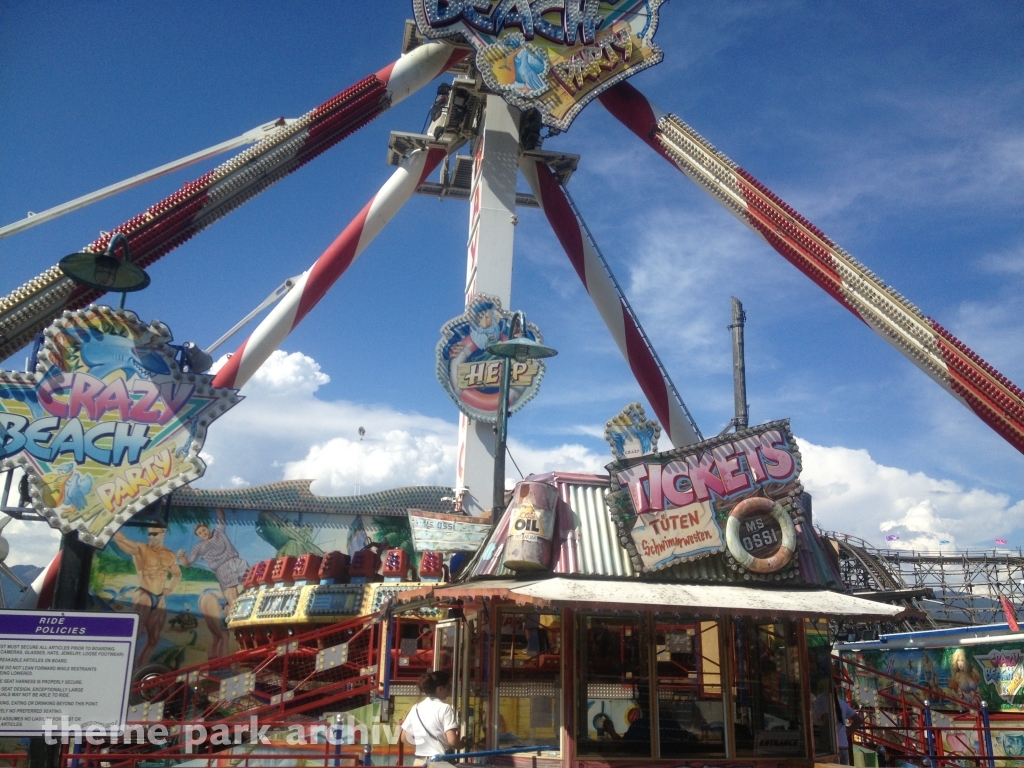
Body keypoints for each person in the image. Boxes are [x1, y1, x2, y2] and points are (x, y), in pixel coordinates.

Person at [113, 527, 181, 665]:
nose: (151, 536)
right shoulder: (141, 548)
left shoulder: (169, 555)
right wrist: (111, 526)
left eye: (154, 534)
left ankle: (140, 668)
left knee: (154, 639)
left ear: (163, 534)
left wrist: (170, 588)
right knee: (135, 633)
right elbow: (121, 540)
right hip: (144, 594)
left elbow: (177, 574)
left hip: (159, 598)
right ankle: (119, 665)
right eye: (149, 534)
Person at [176, 508, 248, 612]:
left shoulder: (218, 531)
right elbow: (187, 563)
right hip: (223, 570)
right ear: (198, 536)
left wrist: (217, 505)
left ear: (208, 528)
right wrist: (182, 557)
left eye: (204, 530)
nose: (203, 533)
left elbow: (221, 517)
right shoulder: (199, 547)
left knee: (253, 581)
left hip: (237, 562)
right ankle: (232, 612)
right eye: (200, 533)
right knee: (233, 599)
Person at [402, 670, 462, 764]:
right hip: (438, 763)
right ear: (440, 689)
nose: (449, 692)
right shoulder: (445, 708)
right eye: (449, 687)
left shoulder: (416, 708)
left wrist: (423, 747)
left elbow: (404, 737)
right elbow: (452, 741)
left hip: (420, 761)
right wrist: (463, 744)